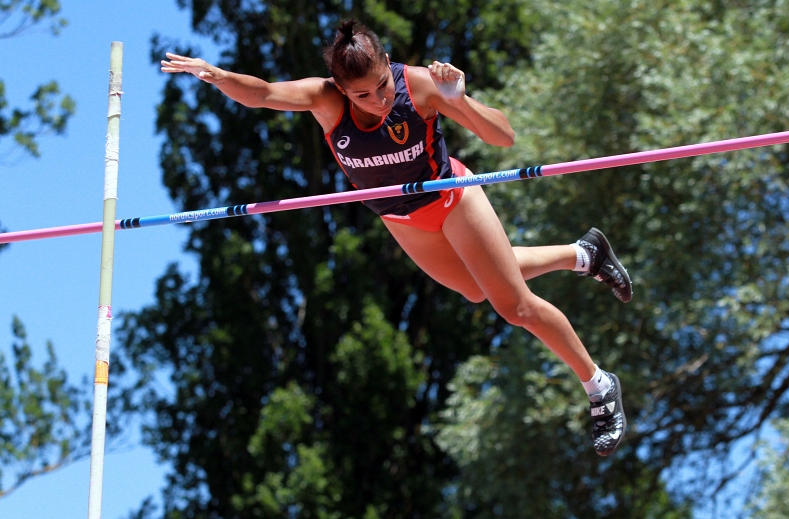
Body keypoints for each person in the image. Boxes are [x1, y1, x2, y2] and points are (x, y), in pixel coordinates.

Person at [161, 20, 631, 456]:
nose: (379, 99)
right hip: (401, 218)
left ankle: (598, 384)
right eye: (362, 95)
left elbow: (503, 137)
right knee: (474, 287)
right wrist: (219, 75)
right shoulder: (325, 101)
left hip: (452, 199)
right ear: (340, 90)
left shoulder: (422, 83)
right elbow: (263, 93)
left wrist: (459, 99)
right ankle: (583, 254)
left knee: (513, 306)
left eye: (383, 85)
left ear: (389, 63)